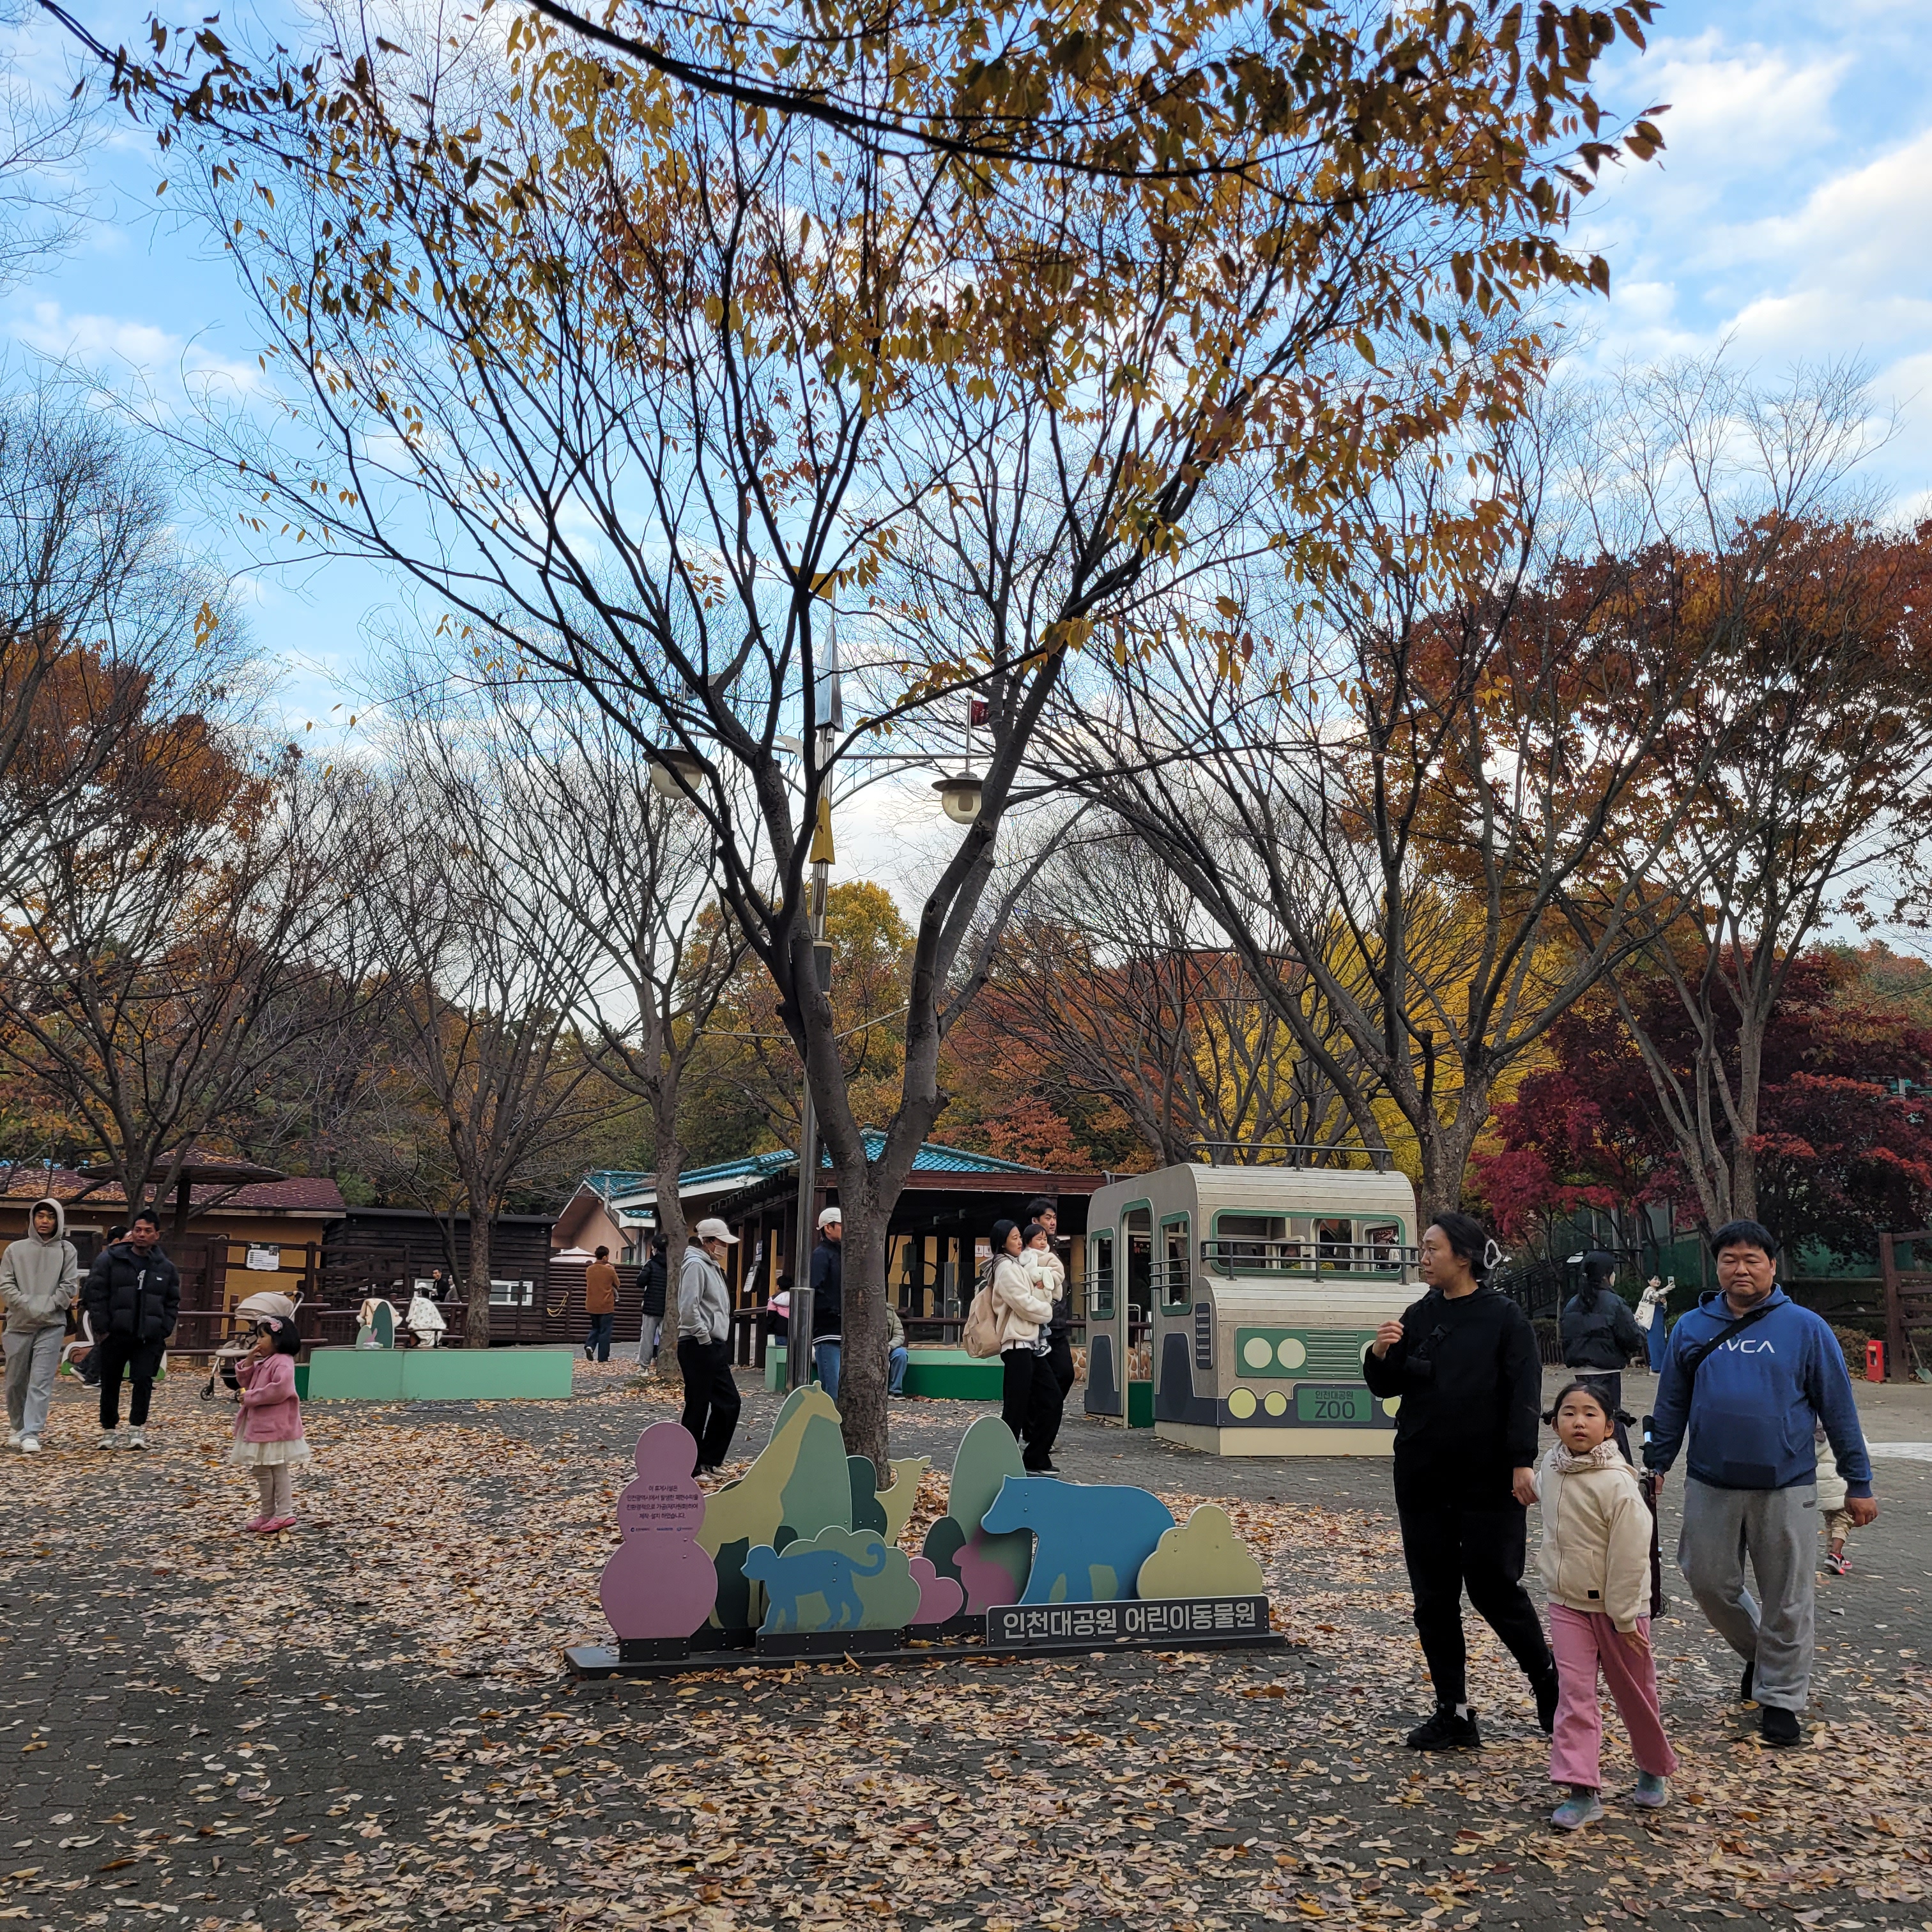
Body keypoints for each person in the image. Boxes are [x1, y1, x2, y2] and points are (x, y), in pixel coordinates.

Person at [1644, 1217, 1876, 1747]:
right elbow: (1672, 1403)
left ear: (1772, 1266)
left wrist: (1858, 1482)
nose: (1741, 1268)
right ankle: (1763, 1656)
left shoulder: (1805, 1328)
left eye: (1752, 1259)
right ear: (1717, 1267)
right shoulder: (1691, 1328)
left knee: (1788, 1597)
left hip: (1787, 1482)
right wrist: (1657, 1464)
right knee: (1707, 1582)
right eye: (1730, 1259)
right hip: (1710, 1480)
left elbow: (1839, 1409)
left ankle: (1781, 1700)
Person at [1363, 1211, 1558, 1749]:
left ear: (1465, 1257)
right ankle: (1453, 1711)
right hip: (1422, 1472)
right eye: (1422, 1249)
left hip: (1489, 1475)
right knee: (1434, 1596)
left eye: (1433, 1249)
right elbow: (1387, 1385)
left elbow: (1524, 1391)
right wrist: (1379, 1354)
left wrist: (1522, 1460)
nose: (1423, 1258)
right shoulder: (1419, 1314)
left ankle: (1549, 1682)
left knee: (1494, 1587)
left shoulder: (1505, 1318)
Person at [1536, 1381, 1677, 1829]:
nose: (1578, 1422)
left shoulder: (1619, 1484)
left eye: (1590, 1413)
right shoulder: (1551, 1467)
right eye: (1569, 1412)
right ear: (1554, 1423)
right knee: (1574, 1695)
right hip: (1567, 1602)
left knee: (1636, 1692)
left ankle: (1653, 1768)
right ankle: (1581, 1788)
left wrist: (1625, 1616)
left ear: (1610, 1427)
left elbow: (1632, 1556)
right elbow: (1540, 1497)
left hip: (1621, 1611)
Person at [82, 1210, 181, 1451]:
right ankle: (109, 1430)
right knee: (110, 1381)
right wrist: (103, 1329)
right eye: (138, 1230)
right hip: (115, 1334)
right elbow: (95, 1294)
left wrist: (163, 1329)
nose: (142, 1235)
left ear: (157, 1235)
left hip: (148, 1337)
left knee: (144, 1380)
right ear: (132, 1232)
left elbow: (172, 1301)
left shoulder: (165, 1268)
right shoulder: (110, 1260)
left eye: (148, 1231)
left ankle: (136, 1428)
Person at [3, 1197, 82, 1455]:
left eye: (51, 1216)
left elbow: (69, 1286)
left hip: (52, 1325)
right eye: (40, 1216)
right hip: (18, 1325)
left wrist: (47, 1306)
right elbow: (6, 1285)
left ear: (58, 1220)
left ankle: (31, 1432)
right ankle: (18, 1427)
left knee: (40, 1380)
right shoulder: (15, 1250)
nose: (45, 1221)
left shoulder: (67, 1250)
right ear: (32, 1219)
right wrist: (29, 1305)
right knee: (15, 1381)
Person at [990, 1219, 1061, 1473]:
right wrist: (1046, 1310)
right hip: (1016, 1345)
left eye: (1020, 1236)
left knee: (1051, 1399)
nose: (1020, 1241)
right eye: (1014, 1238)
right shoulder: (1004, 1268)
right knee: (1016, 1408)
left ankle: (1035, 1457)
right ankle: (1006, 1462)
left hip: (1030, 1343)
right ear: (1002, 1243)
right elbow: (1023, 1303)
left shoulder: (1016, 1264)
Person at [230, 1312, 310, 1533]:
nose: (258, 1341)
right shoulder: (267, 1361)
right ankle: (268, 1513)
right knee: (263, 1469)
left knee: (275, 1468)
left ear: (278, 1339)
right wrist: (249, 1361)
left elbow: (281, 1390)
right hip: (262, 1425)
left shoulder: (283, 1362)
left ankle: (284, 1513)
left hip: (274, 1426)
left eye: (262, 1337)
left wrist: (250, 1398)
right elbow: (246, 1382)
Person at [1560, 1252, 1645, 1460]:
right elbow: (1633, 1338)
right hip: (1607, 1370)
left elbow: (1566, 1337)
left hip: (1580, 1372)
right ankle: (1621, 1468)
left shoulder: (1572, 1304)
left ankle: (1584, 1462)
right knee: (1609, 1420)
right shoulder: (1614, 1302)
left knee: (1587, 1418)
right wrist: (1640, 1330)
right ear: (1607, 1275)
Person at [677, 1217, 741, 1475]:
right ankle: (690, 1466)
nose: (724, 1247)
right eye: (721, 1242)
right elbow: (688, 1307)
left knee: (728, 1402)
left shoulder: (711, 1266)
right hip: (698, 1344)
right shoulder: (695, 1264)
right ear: (708, 1241)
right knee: (698, 1405)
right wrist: (703, 1337)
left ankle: (707, 1460)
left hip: (710, 1344)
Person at [1025, 1196, 1077, 1402]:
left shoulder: (1052, 1249)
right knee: (1044, 1379)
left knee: (1065, 1374)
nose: (1053, 1222)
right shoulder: (1027, 1255)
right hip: (1037, 1327)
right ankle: (1041, 1415)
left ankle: (1046, 1414)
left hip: (1058, 1325)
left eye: (1054, 1218)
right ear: (1035, 1221)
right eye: (1048, 1218)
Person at [809, 1206, 844, 1400]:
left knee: (838, 1387)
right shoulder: (821, 1254)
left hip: (839, 1329)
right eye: (841, 1225)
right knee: (832, 1388)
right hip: (827, 1330)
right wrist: (835, 1311)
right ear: (828, 1228)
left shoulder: (840, 1254)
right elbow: (816, 1289)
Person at [1815, 1422, 1854, 1576]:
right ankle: (1836, 1554)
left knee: (1830, 1520)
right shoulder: (1842, 1432)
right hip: (1841, 1485)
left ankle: (1832, 1555)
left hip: (1822, 1488)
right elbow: (1860, 1449)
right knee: (1844, 1520)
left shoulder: (1814, 1437)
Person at [582, 1245, 618, 1361]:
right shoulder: (609, 1270)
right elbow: (617, 1284)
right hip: (606, 1305)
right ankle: (603, 1358)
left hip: (592, 1304)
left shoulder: (589, 1269)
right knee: (605, 1331)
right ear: (605, 1257)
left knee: (595, 1328)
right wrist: (612, 1269)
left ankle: (590, 1346)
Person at [636, 1236, 668, 1366]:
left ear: (655, 1249)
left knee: (648, 1338)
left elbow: (640, 1282)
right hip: (668, 1307)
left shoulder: (651, 1264)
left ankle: (644, 1366)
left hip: (651, 1306)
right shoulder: (675, 1264)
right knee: (667, 1336)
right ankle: (664, 1362)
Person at [1636, 1276, 1673, 1374]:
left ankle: (1661, 1367)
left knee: (1660, 1343)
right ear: (1649, 1281)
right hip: (1651, 1322)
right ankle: (1655, 1368)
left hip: (1658, 1321)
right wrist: (1666, 1289)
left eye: (1659, 1280)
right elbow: (1654, 1296)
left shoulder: (1658, 1293)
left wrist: (1664, 1303)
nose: (1657, 1281)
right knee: (1654, 1344)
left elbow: (1663, 1309)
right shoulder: (1649, 1291)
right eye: (1655, 1279)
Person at [885, 1298, 909, 1397]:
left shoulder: (889, 1311)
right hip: (867, 1350)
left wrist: (890, 1346)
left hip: (888, 1348)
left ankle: (895, 1391)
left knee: (901, 1354)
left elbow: (899, 1335)